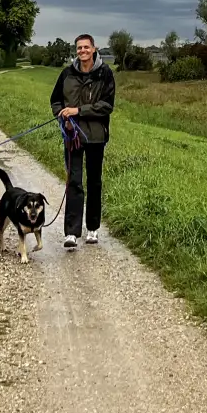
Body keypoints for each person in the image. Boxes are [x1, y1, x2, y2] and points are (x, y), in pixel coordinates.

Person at [50, 33, 115, 250]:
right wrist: (62, 116)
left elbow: (107, 105)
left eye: (86, 47)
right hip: (72, 137)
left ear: (94, 49)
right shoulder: (67, 73)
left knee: (94, 182)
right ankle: (71, 232)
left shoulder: (105, 73)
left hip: (96, 136)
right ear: (76, 50)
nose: (83, 51)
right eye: (79, 48)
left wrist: (78, 111)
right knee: (74, 182)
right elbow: (56, 101)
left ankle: (93, 228)